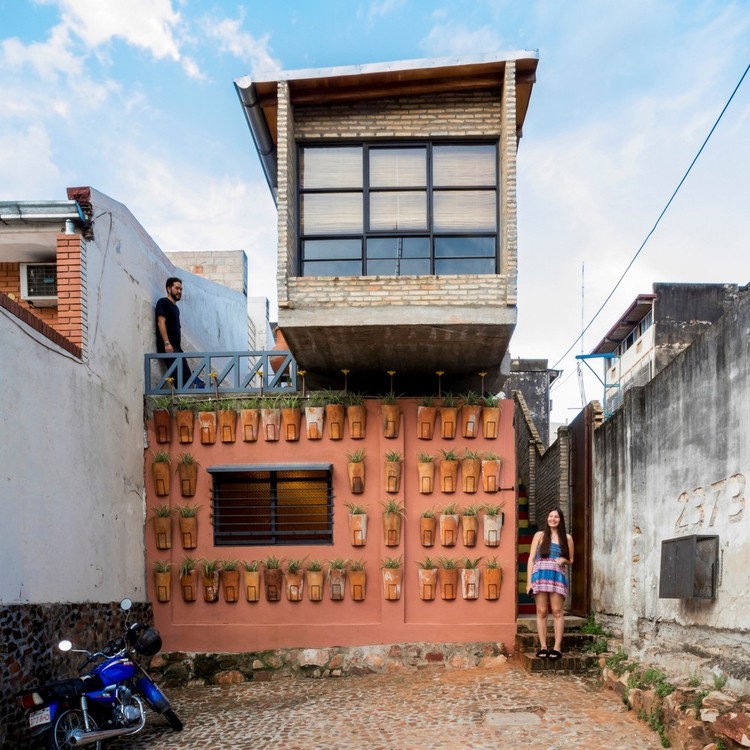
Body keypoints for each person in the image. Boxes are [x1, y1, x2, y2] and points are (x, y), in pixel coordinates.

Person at [526, 507, 574, 660]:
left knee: (557, 611)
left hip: (556, 576)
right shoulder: (539, 536)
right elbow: (531, 559)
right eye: (551, 516)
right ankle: (543, 646)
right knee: (541, 612)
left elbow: (571, 560)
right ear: (547, 518)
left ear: (561, 520)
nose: (553, 519)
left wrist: (564, 560)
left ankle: (557, 647)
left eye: (556, 517)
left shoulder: (567, 538)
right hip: (539, 576)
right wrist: (529, 582)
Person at [155, 277, 204, 388]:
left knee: (187, 377)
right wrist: (167, 343)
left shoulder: (176, 308)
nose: (179, 291)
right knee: (180, 379)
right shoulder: (163, 302)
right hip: (168, 348)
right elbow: (160, 322)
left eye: (181, 289)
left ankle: (186, 401)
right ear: (168, 289)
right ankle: (182, 401)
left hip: (177, 349)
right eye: (177, 288)